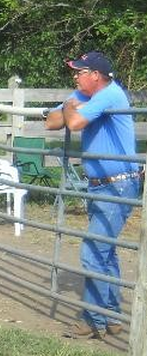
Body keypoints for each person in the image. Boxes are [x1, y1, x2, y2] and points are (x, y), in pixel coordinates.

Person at [45, 51, 140, 339]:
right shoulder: (85, 95)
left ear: (95, 75)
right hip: (101, 183)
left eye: (80, 72)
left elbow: (72, 123)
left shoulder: (109, 95)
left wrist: (71, 109)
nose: (75, 76)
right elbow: (52, 122)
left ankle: (92, 321)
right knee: (105, 252)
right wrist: (70, 108)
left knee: (92, 252)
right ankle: (111, 317)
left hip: (117, 183)